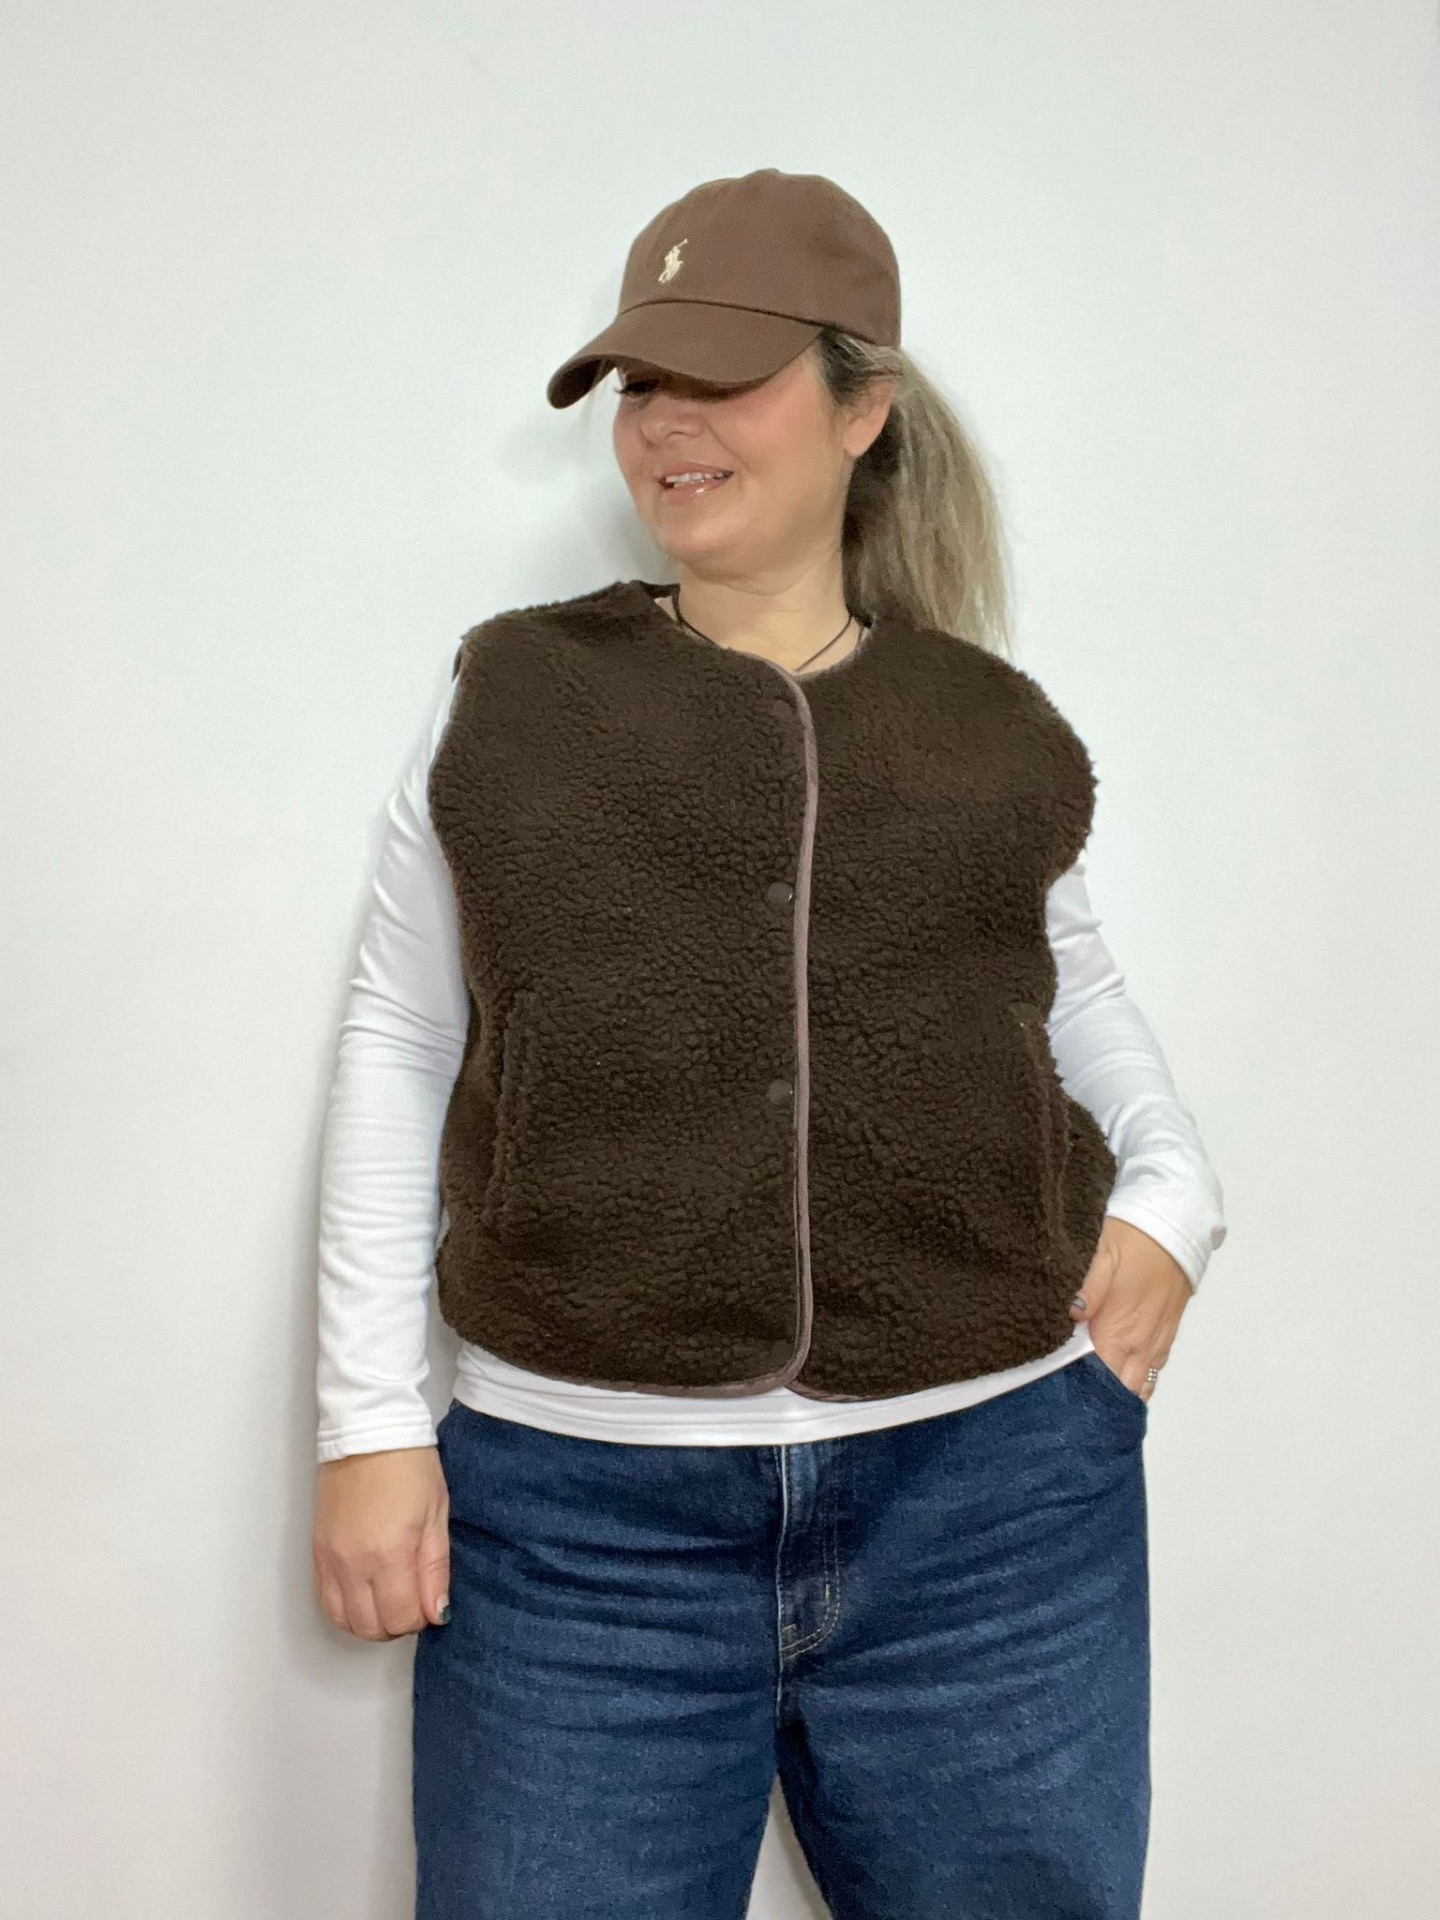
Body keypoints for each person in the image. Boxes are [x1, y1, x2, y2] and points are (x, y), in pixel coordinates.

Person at [311, 168, 1226, 1920]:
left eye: (719, 378)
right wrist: (367, 1422)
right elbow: (403, 1032)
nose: (665, 424)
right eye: (638, 385)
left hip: (992, 1506)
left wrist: (1175, 1200)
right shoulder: (515, 693)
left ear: (862, 409)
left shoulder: (990, 724)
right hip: (580, 1527)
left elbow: (1077, 996)